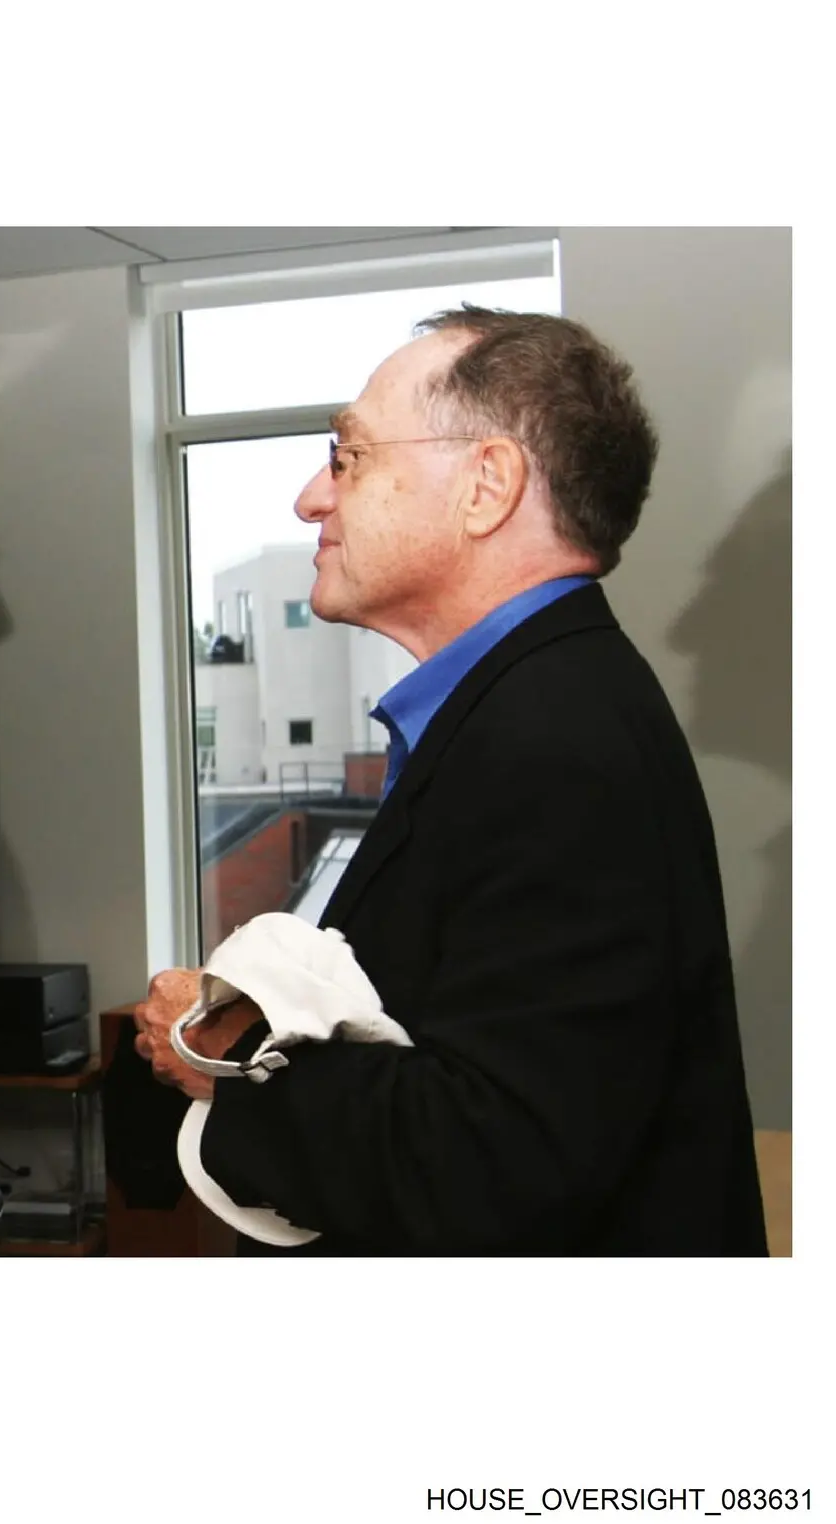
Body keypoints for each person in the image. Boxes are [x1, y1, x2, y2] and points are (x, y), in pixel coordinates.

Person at [133, 306, 768, 1255]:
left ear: (487, 487)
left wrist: (226, 1054)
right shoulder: (532, 709)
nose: (311, 498)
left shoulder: (555, 741)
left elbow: (497, 1159)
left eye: (347, 456)